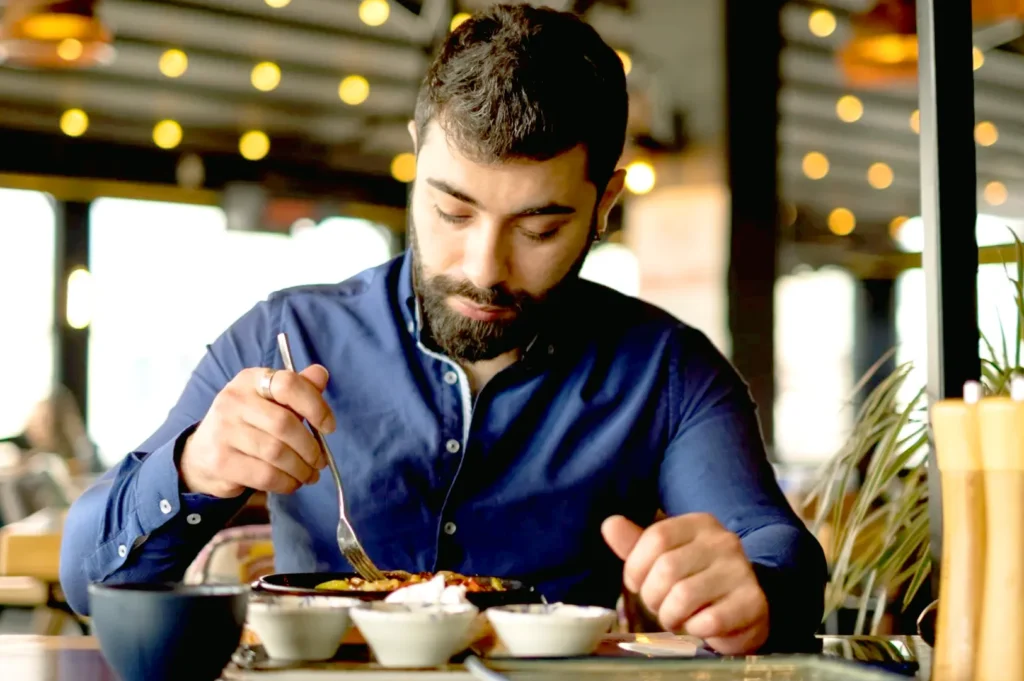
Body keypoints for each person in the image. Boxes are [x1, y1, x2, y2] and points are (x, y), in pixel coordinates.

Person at [59, 4, 826, 654]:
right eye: (453, 211)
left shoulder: (665, 370)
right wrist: (192, 468)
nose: (483, 267)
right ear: (415, 157)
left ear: (604, 203)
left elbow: (775, 548)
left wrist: (752, 589)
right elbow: (86, 577)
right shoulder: (287, 335)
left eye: (539, 226)